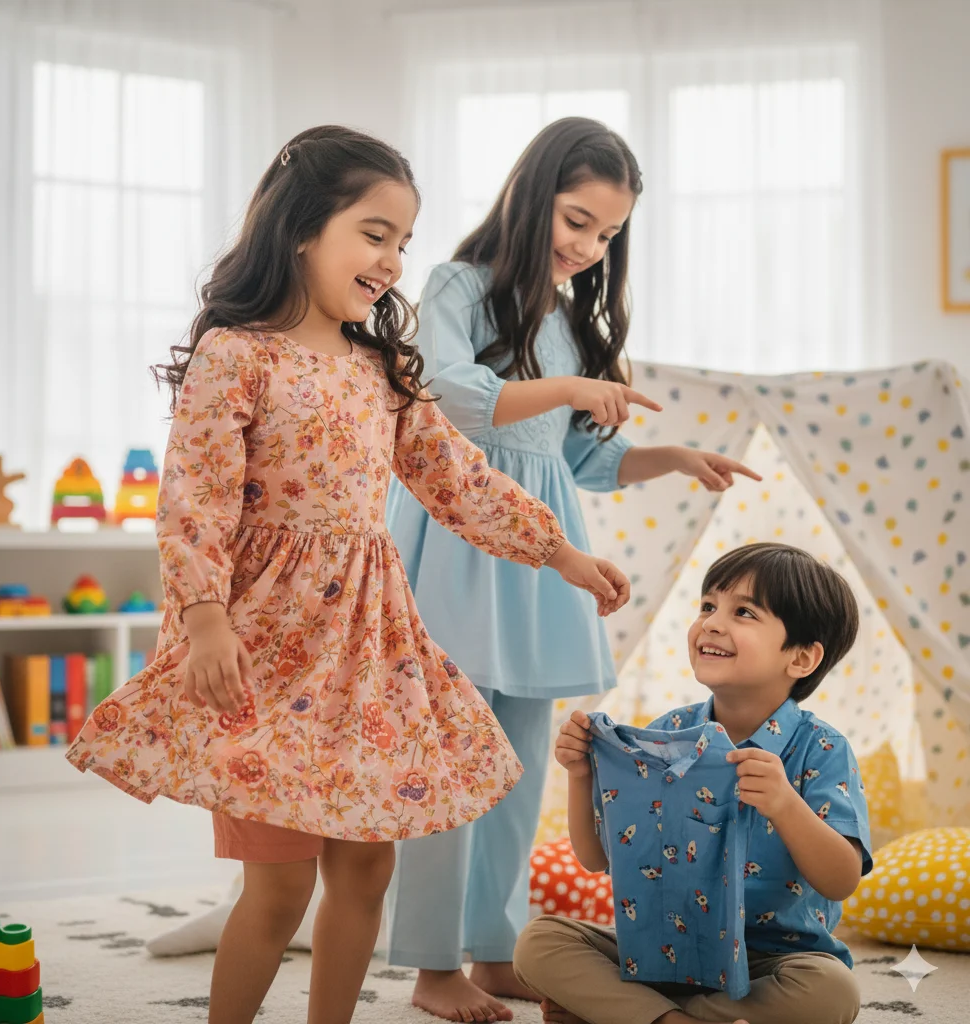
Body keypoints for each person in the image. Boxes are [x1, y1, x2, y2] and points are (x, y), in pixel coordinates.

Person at [65, 125, 631, 1024]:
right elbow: (195, 501)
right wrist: (205, 617)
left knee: (367, 865)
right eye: (375, 234)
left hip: (368, 651)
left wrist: (561, 553)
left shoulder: (382, 370)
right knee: (280, 886)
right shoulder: (236, 354)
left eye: (403, 242)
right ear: (301, 228)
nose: (394, 260)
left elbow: (457, 478)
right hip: (264, 649)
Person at [386, 117, 758, 1023]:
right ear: (532, 192)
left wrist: (669, 455)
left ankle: (492, 946)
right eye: (578, 221)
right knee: (446, 766)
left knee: (515, 769)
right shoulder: (458, 286)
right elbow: (448, 401)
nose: (589, 248)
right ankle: (432, 963)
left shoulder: (564, 319)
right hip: (459, 543)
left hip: (543, 558)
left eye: (607, 235)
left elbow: (581, 459)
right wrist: (569, 390)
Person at [516, 542, 872, 1024]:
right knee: (540, 942)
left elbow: (841, 879)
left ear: (802, 659)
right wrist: (581, 776)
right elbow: (596, 857)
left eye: (743, 612)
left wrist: (785, 804)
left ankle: (632, 1015)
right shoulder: (667, 733)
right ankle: (672, 1017)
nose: (712, 622)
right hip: (662, 954)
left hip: (772, 962)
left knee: (832, 992)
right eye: (707, 605)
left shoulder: (822, 749)